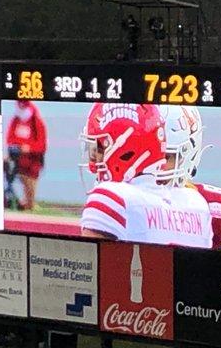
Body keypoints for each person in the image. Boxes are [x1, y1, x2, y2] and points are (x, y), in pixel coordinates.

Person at [79, 103, 213, 248]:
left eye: (98, 149)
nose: (93, 161)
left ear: (124, 150)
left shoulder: (111, 198)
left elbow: (88, 266)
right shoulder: (197, 204)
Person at [157, 105, 221, 251]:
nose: (153, 166)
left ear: (189, 154)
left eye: (166, 156)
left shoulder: (219, 212)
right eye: (147, 155)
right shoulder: (117, 201)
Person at [5, 100, 47, 210]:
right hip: (17, 161)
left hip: (32, 164)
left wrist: (27, 148)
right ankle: (10, 198)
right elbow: (10, 139)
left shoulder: (36, 122)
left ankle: (29, 204)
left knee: (29, 197)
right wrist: (16, 148)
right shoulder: (16, 120)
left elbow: (41, 146)